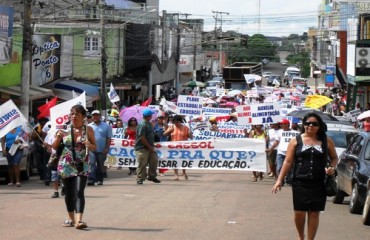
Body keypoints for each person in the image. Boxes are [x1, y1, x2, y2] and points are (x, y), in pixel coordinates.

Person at [272, 112, 338, 240]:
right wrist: (279, 180)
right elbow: (288, 161)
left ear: (319, 126)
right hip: (300, 182)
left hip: (319, 183)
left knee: (314, 213)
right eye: (308, 123)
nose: (311, 126)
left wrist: (332, 168)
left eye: (314, 124)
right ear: (304, 125)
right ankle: (301, 236)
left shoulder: (326, 141)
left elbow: (334, 158)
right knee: (299, 213)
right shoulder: (296, 140)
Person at [52, 104, 96, 229]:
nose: (74, 116)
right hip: (66, 164)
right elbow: (54, 147)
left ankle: (79, 221)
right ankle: (71, 219)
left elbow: (94, 147)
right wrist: (58, 138)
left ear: (83, 116)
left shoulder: (88, 130)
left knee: (79, 191)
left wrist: (88, 144)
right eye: (72, 113)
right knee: (69, 193)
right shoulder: (64, 130)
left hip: (82, 165)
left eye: (77, 114)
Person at [134, 108, 161, 184]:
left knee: (154, 160)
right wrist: (149, 146)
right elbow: (141, 137)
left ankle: (152, 176)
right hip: (142, 148)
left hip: (150, 147)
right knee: (142, 163)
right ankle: (140, 178)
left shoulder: (149, 123)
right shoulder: (142, 124)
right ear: (148, 116)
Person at [164, 115, 192, 180]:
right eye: (174, 122)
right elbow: (164, 134)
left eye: (177, 122)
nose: (175, 123)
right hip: (174, 148)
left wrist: (190, 133)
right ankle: (176, 175)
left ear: (180, 121)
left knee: (183, 161)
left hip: (183, 148)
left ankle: (184, 172)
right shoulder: (172, 127)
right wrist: (169, 130)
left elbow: (191, 137)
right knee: (174, 161)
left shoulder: (186, 128)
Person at [88, 110, 112, 186]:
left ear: (100, 116)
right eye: (94, 115)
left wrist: (107, 148)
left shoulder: (106, 126)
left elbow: (108, 138)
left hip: (102, 149)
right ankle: (91, 179)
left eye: (97, 115)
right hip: (91, 149)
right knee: (91, 163)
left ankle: (99, 179)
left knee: (100, 165)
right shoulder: (88, 126)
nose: (95, 117)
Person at [272, 119, 300, 185]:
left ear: (287, 124)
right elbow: (277, 142)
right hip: (281, 152)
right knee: (279, 167)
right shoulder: (279, 132)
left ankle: (289, 180)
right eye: (280, 124)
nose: (280, 125)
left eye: (282, 124)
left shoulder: (296, 133)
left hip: (291, 153)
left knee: (290, 167)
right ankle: (280, 180)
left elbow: (298, 143)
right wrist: (270, 149)